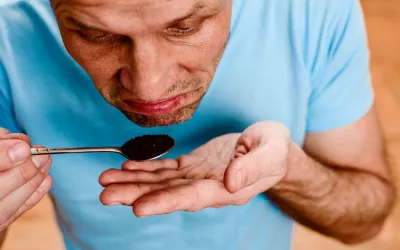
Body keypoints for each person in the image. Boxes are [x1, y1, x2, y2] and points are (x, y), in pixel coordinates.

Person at [0, 0, 396, 249]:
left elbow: (364, 221)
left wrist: (290, 171)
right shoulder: (6, 30)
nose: (148, 86)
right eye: (95, 34)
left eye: (184, 27)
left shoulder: (313, 10)